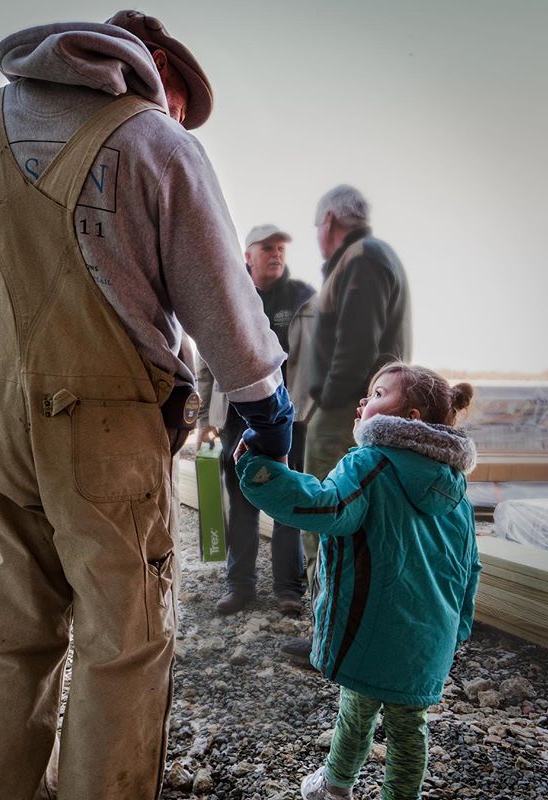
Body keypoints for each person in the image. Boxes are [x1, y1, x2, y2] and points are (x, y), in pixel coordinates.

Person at [0, 11, 294, 800]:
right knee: (123, 646)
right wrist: (266, 406)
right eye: (177, 99)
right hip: (111, 437)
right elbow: (221, 302)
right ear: (150, 64)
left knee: (8, 640)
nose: (174, 116)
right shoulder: (156, 143)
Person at [235, 362, 481, 800]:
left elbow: (326, 507)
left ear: (411, 418)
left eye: (379, 393)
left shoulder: (369, 463)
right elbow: (468, 566)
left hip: (372, 628)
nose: (365, 401)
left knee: (356, 707)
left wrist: (261, 472)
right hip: (429, 639)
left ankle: (335, 785)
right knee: (410, 731)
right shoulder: (456, 490)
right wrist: (459, 625)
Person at [282, 184, 412, 666]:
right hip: (359, 410)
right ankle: (346, 631)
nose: (317, 236)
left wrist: (330, 402)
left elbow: (357, 346)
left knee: (326, 519)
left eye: (317, 227)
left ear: (331, 221)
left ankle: (328, 636)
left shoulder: (362, 258)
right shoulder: (370, 258)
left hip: (344, 415)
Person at [197, 225, 315, 616]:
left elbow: (318, 360)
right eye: (268, 248)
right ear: (249, 255)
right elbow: (208, 360)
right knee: (242, 503)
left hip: (290, 421)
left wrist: (312, 410)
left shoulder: (302, 299)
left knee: (288, 502)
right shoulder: (230, 296)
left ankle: (288, 589)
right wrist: (203, 419)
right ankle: (240, 586)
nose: (276, 254)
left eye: (281, 247)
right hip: (235, 418)